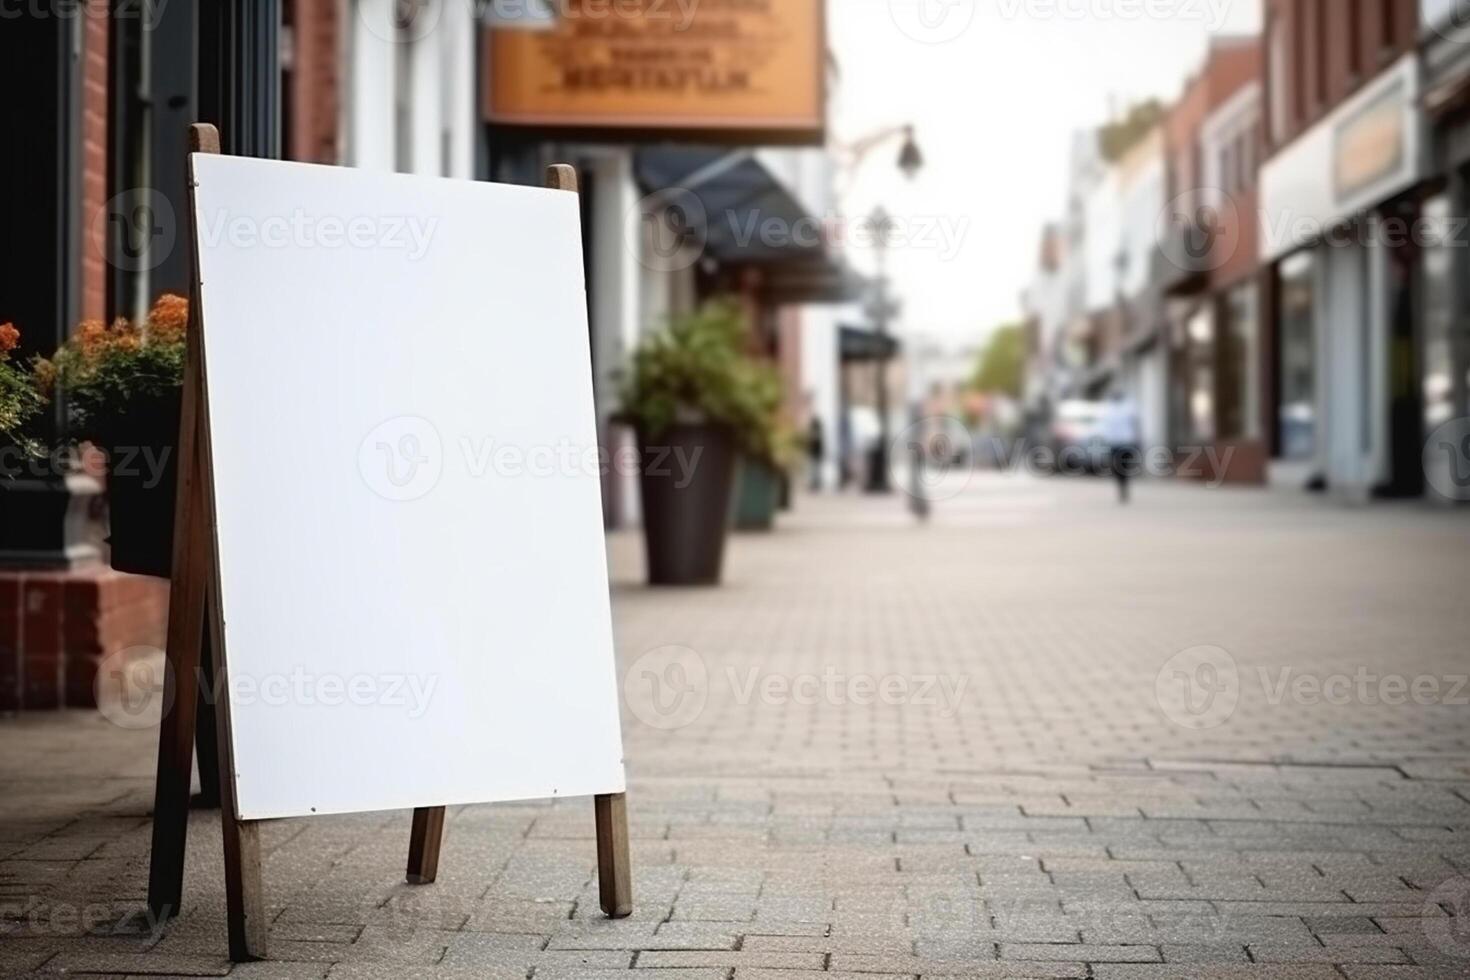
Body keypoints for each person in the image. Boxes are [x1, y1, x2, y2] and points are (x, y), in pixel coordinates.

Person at [1100, 391, 1141, 504]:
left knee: (1125, 466)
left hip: (1126, 441)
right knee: (1116, 466)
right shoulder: (1108, 409)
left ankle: (1124, 485)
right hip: (1114, 442)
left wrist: (1137, 438)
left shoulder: (1129, 408)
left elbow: (1135, 423)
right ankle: (1121, 485)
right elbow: (1104, 427)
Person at [807, 414, 826, 492]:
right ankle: (815, 483)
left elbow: (820, 446)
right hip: (815, 454)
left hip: (815, 454)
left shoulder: (816, 435)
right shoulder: (817, 435)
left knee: (815, 470)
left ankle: (815, 483)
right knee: (814, 470)